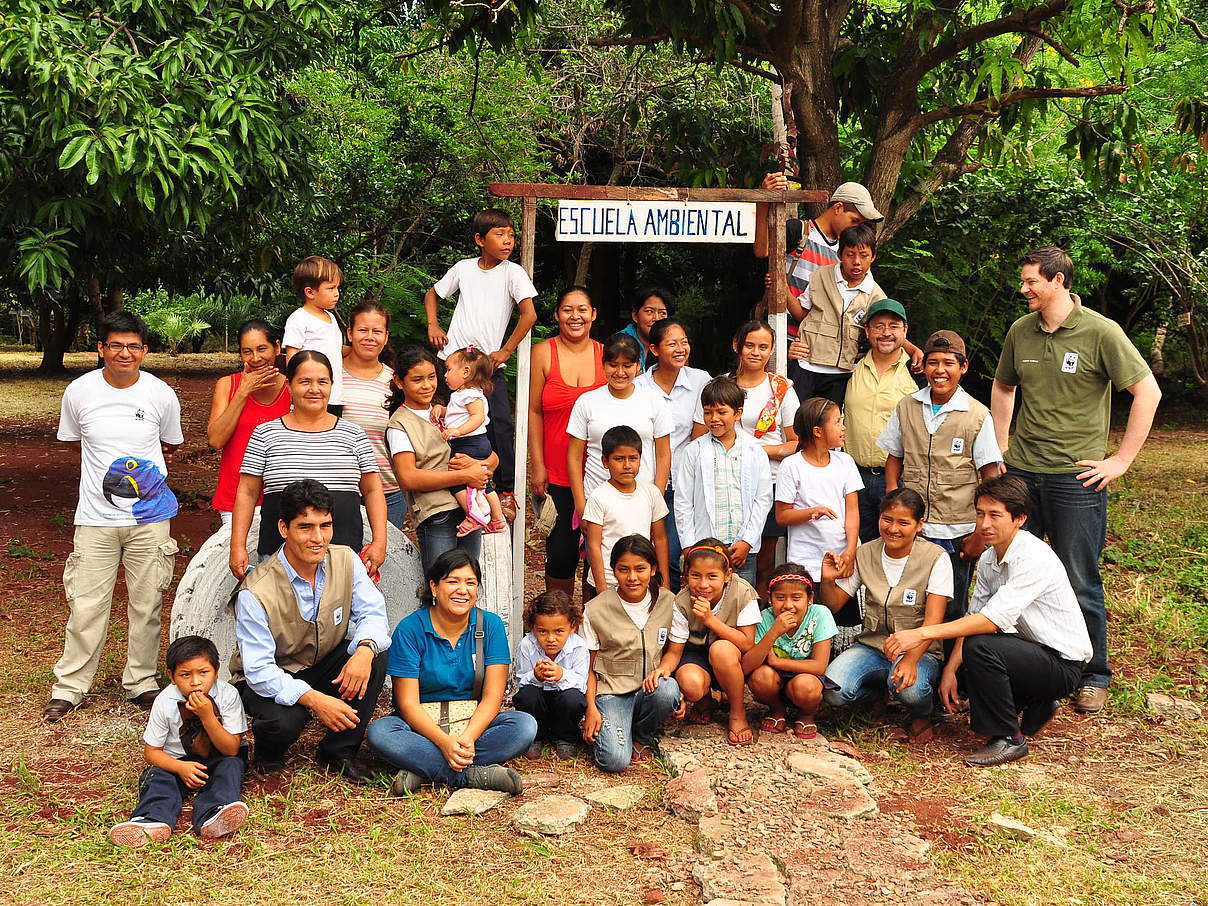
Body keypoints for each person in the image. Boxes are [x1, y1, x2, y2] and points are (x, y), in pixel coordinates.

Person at [991, 246, 1161, 714]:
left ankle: (1093, 673)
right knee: (1012, 571)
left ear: (1059, 281)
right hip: (1023, 471)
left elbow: (1147, 391)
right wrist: (1002, 446)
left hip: (1077, 478)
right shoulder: (1020, 332)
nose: (1023, 289)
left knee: (1077, 576)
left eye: (1031, 282)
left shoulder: (1102, 332)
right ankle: (1016, 665)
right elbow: (1004, 386)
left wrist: (1121, 460)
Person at [884, 475, 1093, 766]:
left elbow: (990, 621)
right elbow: (973, 615)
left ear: (1019, 518)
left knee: (981, 647)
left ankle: (1010, 738)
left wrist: (920, 634)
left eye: (995, 516)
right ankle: (1037, 702)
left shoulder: (1032, 557)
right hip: (1031, 654)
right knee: (964, 656)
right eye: (980, 514)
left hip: (1063, 665)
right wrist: (951, 672)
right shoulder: (989, 558)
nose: (984, 524)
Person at [44, 311, 183, 723]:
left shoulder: (161, 395)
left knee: (148, 603)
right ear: (101, 349)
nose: (125, 353)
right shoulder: (79, 392)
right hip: (94, 517)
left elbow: (168, 446)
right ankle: (70, 687)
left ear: (145, 350)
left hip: (150, 518)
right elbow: (75, 443)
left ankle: (141, 681)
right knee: (86, 605)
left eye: (134, 346)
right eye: (116, 345)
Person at [232, 480, 390, 782]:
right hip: (272, 675)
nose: (318, 538)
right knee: (284, 719)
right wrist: (315, 699)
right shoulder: (255, 591)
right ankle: (268, 755)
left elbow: (373, 612)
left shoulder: (346, 560)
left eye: (325, 526)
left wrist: (365, 650)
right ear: (283, 528)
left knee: (375, 655)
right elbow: (260, 671)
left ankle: (339, 750)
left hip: (321, 663)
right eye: (305, 527)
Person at [367, 549, 537, 795]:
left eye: (470, 582)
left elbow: (492, 697)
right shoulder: (410, 629)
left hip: (473, 723)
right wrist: (444, 742)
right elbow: (408, 704)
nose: (462, 590)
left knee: (524, 726)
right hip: (421, 728)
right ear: (434, 587)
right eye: (453, 581)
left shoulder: (490, 625)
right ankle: (475, 775)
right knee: (380, 733)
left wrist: (466, 739)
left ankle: (422, 768)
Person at [228, 350, 387, 581]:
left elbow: (372, 490)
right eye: (305, 381)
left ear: (332, 385)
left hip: (343, 557)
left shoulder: (354, 434)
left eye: (322, 382)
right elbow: (247, 492)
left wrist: (380, 541)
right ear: (290, 386)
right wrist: (237, 545)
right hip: (278, 557)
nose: (314, 389)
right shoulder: (265, 434)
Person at [880, 330, 1003, 618]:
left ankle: (947, 661)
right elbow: (894, 456)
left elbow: (991, 476)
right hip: (914, 528)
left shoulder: (977, 415)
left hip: (957, 532)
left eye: (949, 363)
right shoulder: (907, 406)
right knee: (910, 600)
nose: (940, 371)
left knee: (951, 605)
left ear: (963, 367)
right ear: (923, 367)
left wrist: (978, 534)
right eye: (933, 362)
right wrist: (891, 497)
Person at [424, 208, 539, 514]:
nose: (508, 241)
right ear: (479, 239)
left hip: (487, 367)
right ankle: (454, 485)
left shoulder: (513, 273)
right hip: (454, 363)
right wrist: (433, 325)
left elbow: (529, 315)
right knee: (451, 422)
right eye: (499, 234)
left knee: (499, 425)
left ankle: (504, 490)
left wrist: (506, 350)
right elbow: (432, 294)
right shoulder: (464, 268)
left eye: (512, 235)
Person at [819, 489, 952, 744]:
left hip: (919, 650)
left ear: (919, 525)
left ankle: (922, 713)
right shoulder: (865, 552)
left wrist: (911, 660)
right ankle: (876, 694)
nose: (893, 529)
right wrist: (827, 580)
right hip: (872, 646)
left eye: (903, 522)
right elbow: (833, 605)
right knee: (833, 691)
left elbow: (933, 622)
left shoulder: (936, 558)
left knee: (911, 690)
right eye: (887, 519)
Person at [108, 635, 249, 846]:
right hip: (177, 761)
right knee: (156, 777)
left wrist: (207, 716)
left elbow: (230, 749)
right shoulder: (165, 701)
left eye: (204, 672)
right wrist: (179, 767)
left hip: (218, 756)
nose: (196, 682)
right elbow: (152, 752)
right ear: (172, 677)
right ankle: (151, 819)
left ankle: (215, 813)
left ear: (217, 671)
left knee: (231, 765)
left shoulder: (228, 694)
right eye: (185, 675)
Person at [691, 321, 799, 594]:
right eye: (749, 345)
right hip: (722, 481)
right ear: (736, 345)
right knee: (720, 558)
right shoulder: (721, 386)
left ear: (772, 350)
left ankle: (757, 616)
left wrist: (755, 453)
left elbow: (796, 442)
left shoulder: (781, 389)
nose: (756, 352)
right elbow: (699, 436)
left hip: (771, 481)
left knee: (763, 562)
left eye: (763, 347)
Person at [755, 175, 883, 398]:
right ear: (838, 208)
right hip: (784, 338)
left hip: (822, 349)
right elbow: (762, 250)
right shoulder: (800, 232)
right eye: (854, 221)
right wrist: (764, 202)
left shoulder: (847, 254)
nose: (857, 228)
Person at [581, 535, 685, 773]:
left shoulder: (669, 602)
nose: (632, 577)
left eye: (640, 569)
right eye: (623, 569)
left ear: (653, 569)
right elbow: (587, 666)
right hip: (611, 693)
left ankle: (641, 735)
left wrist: (663, 669)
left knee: (668, 688)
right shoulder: (595, 609)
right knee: (614, 761)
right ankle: (616, 728)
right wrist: (591, 709)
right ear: (614, 571)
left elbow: (675, 650)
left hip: (649, 689)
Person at [386, 346, 494, 571]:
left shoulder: (452, 410)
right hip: (437, 513)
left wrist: (479, 467)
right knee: (443, 582)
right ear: (399, 381)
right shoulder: (400, 424)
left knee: (468, 579)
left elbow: (490, 455)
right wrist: (466, 475)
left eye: (432, 377)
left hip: (468, 509)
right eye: (417, 379)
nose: (427, 385)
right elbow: (408, 478)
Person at [528, 286, 605, 594]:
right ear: (558, 315)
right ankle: (557, 623)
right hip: (558, 472)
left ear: (593, 315)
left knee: (598, 554)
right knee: (561, 554)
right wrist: (538, 465)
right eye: (568, 310)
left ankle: (590, 627)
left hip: (600, 473)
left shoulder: (606, 355)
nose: (576, 316)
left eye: (582, 309)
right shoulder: (543, 352)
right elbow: (534, 412)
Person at [787, 224, 919, 405]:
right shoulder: (820, 276)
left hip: (841, 374)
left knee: (828, 425)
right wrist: (781, 288)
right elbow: (802, 314)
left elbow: (887, 331)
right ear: (840, 255)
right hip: (805, 364)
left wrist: (913, 350)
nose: (856, 261)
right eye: (850, 255)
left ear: (873, 257)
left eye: (864, 255)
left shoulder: (876, 295)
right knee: (795, 421)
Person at [635, 317, 710, 590]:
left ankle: (680, 615)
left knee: (680, 554)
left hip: (684, 484)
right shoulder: (639, 387)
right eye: (672, 344)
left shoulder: (701, 381)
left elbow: (699, 438)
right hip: (646, 482)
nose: (681, 349)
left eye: (684, 342)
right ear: (654, 349)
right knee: (646, 553)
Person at [675, 376, 772, 587]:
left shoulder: (754, 450)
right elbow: (683, 502)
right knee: (704, 600)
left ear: (738, 413)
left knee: (742, 603)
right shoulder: (694, 451)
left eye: (721, 412)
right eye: (708, 412)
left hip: (742, 548)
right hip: (704, 546)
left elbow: (762, 499)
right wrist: (689, 546)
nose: (714, 418)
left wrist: (748, 541)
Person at [567, 333, 672, 520]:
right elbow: (574, 457)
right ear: (603, 364)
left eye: (628, 366)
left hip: (643, 502)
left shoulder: (654, 400)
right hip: (597, 501)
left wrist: (656, 497)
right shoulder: (587, 402)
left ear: (638, 365)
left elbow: (663, 454)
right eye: (613, 365)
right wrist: (581, 504)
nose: (620, 372)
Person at [840, 299, 921, 541]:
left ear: (905, 331)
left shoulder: (919, 371)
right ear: (867, 332)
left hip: (900, 477)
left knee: (896, 546)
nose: (886, 333)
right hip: (855, 476)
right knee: (856, 546)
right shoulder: (849, 367)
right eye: (879, 326)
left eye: (894, 326)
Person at [672, 541, 760, 746]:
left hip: (732, 656)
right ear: (686, 576)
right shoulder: (682, 601)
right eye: (696, 575)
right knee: (690, 682)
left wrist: (711, 620)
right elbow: (676, 650)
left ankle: (737, 712)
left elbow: (747, 643)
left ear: (727, 575)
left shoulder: (742, 592)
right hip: (697, 655)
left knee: (721, 650)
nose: (703, 585)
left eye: (712, 576)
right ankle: (705, 702)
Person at [208, 320, 291, 527]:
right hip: (235, 496)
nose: (256, 358)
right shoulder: (228, 385)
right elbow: (216, 440)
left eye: (262, 349)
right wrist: (243, 392)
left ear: (277, 347)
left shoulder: (292, 389)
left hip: (283, 496)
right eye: (247, 351)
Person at [741, 564, 837, 740]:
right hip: (774, 679)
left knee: (806, 686)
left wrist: (777, 662)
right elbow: (746, 667)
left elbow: (819, 666)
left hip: (806, 676)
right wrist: (774, 632)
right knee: (760, 676)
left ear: (810, 599)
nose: (788, 605)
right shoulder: (765, 618)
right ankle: (777, 709)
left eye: (796, 598)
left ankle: (807, 714)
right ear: (770, 599)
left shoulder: (820, 614)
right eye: (780, 597)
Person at [775, 398, 862, 588]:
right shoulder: (791, 465)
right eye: (838, 422)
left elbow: (853, 511)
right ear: (817, 431)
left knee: (842, 617)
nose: (843, 427)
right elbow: (782, 516)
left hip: (841, 558)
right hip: (805, 561)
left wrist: (851, 550)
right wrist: (812, 512)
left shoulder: (845, 461)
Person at [582, 426, 671, 595]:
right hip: (608, 580)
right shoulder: (598, 496)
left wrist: (664, 582)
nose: (627, 465)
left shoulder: (651, 493)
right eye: (619, 459)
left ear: (640, 459)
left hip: (641, 579)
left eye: (633, 458)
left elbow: (660, 539)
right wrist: (601, 588)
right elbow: (593, 544)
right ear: (605, 462)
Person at [341, 301, 406, 529]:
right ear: (350, 333)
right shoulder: (329, 376)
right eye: (362, 330)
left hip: (389, 493)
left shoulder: (397, 383)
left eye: (377, 331)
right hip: (339, 492)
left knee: (383, 561)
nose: (370, 337)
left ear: (386, 337)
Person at [513, 590, 589, 760]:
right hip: (539, 700)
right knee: (527, 695)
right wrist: (535, 676)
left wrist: (562, 675)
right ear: (533, 627)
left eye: (559, 631)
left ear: (572, 627)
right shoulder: (527, 644)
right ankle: (535, 736)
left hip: (563, 702)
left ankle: (565, 737)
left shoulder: (578, 647)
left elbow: (581, 684)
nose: (551, 639)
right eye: (543, 632)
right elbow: (521, 681)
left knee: (573, 699)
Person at [441, 346, 507, 535]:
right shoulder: (461, 395)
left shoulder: (471, 394)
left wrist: (457, 431)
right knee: (484, 484)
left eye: (448, 369)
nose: (445, 375)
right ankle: (497, 518)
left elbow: (477, 417)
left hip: (470, 443)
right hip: (473, 442)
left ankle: (473, 516)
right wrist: (442, 410)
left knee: (458, 482)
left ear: (466, 372)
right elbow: (457, 414)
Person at [283, 255, 347, 414]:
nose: (337, 294)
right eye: (331, 288)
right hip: (309, 396)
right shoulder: (298, 318)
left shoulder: (331, 317)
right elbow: (292, 357)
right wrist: (296, 389)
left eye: (337, 288)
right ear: (310, 292)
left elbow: (334, 350)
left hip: (334, 396)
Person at [619, 286, 672, 370]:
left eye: (662, 313)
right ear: (635, 316)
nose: (657, 318)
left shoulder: (673, 344)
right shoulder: (620, 342)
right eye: (649, 311)